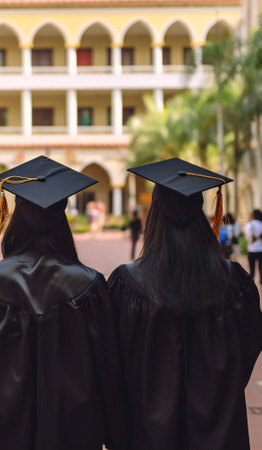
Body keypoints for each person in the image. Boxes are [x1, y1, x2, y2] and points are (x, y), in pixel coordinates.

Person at [0, 156, 127, 450]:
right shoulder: (90, 286)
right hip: (74, 433)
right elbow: (109, 371)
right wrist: (118, 435)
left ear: (15, 216)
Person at [107, 158, 261, 450]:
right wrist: (220, 388)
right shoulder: (235, 283)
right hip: (219, 427)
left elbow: (113, 363)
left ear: (154, 215)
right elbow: (250, 344)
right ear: (201, 216)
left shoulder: (126, 285)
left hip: (147, 431)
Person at [244, 209, 262, 284]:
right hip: (261, 249)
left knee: (252, 270)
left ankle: (252, 284)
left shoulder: (249, 225)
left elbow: (248, 238)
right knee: (261, 269)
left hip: (252, 249)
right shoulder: (261, 224)